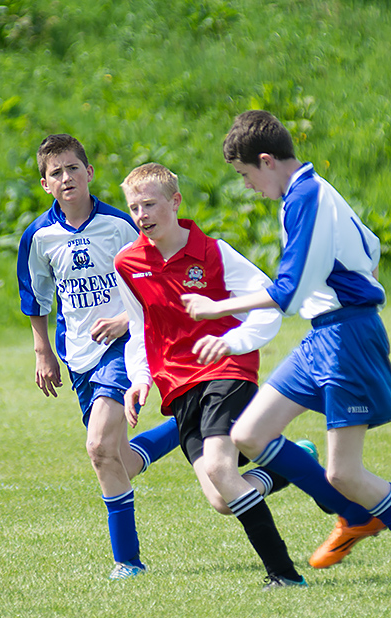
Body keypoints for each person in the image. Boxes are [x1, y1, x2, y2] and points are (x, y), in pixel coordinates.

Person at [182, 110, 391, 593]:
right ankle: (355, 516)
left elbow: (291, 290)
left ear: (267, 161)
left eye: (246, 174)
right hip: (323, 334)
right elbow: (370, 249)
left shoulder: (307, 198)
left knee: (344, 472)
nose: (247, 185)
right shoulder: (308, 191)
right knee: (249, 433)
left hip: (346, 339)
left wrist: (219, 309)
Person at [116, 162, 307, 589]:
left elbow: (270, 302)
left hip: (226, 371)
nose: (142, 215)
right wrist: (140, 377)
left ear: (175, 202)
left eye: (150, 204)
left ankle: (284, 575)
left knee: (222, 469)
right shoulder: (128, 263)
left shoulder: (214, 253)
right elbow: (139, 327)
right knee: (222, 497)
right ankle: (292, 463)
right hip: (177, 386)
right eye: (134, 207)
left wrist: (234, 343)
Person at [17, 134, 180, 580]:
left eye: (73, 168)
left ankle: (127, 562)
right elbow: (36, 297)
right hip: (78, 354)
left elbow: (160, 277)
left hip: (125, 348)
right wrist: (43, 351)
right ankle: (188, 427)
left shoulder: (121, 224)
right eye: (56, 173)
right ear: (45, 184)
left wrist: (128, 321)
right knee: (118, 459)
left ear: (89, 172)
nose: (66, 177)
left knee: (97, 448)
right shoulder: (39, 236)